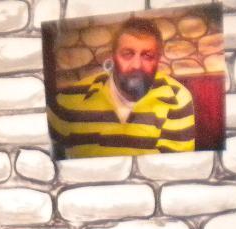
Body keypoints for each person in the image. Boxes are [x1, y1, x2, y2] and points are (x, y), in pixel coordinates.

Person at [48, 17, 196, 157]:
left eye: (147, 56)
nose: (136, 65)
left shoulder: (177, 98)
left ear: (158, 59)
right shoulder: (68, 100)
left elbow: (174, 168)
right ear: (113, 56)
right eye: (127, 54)